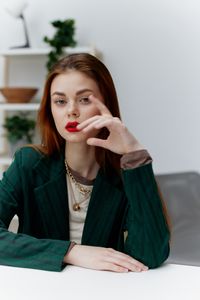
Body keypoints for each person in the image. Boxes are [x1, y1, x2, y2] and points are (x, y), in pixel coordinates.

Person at [0, 53, 170, 272]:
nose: (71, 110)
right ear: (50, 110)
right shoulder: (28, 164)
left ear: (105, 104)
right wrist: (71, 252)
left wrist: (135, 154)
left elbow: (151, 254)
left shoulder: (125, 172)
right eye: (60, 101)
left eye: (84, 99)